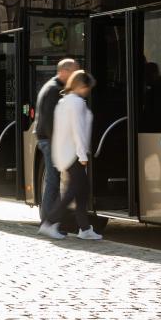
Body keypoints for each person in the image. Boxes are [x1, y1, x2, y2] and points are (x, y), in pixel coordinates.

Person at [40, 70, 102, 241]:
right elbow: (78, 131)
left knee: (81, 190)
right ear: (81, 86)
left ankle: (84, 228)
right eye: (87, 87)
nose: (88, 91)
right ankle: (49, 223)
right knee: (74, 190)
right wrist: (83, 155)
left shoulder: (64, 102)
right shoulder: (76, 103)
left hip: (65, 153)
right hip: (74, 154)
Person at [35, 58, 78, 224]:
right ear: (64, 72)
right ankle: (48, 221)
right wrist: (57, 145)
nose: (75, 75)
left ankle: (52, 220)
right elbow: (49, 121)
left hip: (47, 140)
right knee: (53, 181)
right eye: (73, 71)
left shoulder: (53, 86)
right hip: (49, 141)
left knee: (53, 180)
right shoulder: (54, 90)